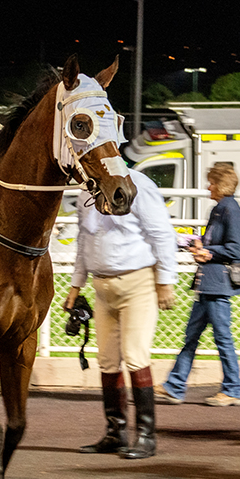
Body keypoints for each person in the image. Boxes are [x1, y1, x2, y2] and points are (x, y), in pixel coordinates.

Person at [65, 168, 178, 460]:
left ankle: (146, 435)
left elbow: (161, 232)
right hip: (102, 287)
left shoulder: (138, 184)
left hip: (137, 282)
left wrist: (165, 280)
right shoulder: (87, 191)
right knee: (107, 360)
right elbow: (83, 241)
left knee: (135, 355)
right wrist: (76, 285)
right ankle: (116, 432)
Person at [156, 163, 240, 407]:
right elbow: (216, 243)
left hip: (217, 285)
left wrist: (207, 252)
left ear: (221, 185)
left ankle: (233, 389)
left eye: (212, 182)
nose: (209, 187)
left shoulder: (229, 210)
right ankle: (175, 386)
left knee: (222, 338)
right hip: (208, 285)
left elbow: (234, 250)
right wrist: (197, 245)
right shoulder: (220, 209)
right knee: (192, 336)